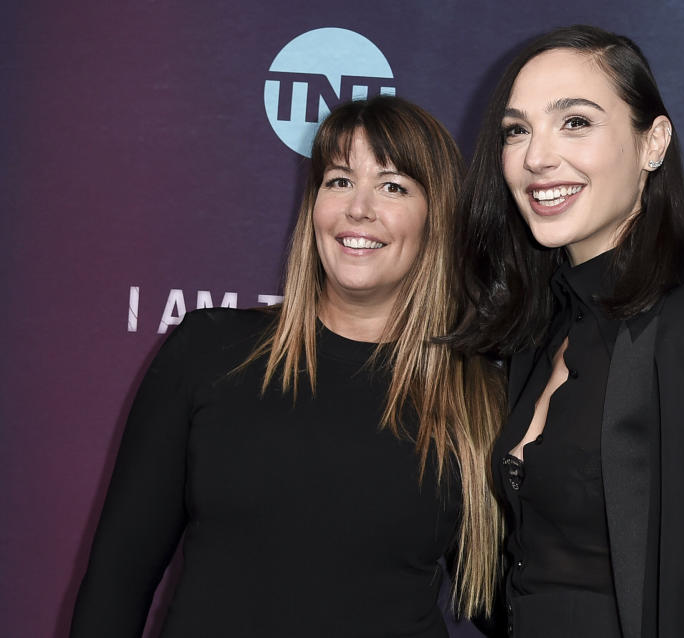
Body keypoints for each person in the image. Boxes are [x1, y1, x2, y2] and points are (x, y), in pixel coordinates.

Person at [449, 25, 684, 638]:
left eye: (575, 121)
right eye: (516, 130)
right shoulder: (538, 335)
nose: (536, 157)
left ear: (653, 142)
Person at [70, 96, 504, 638]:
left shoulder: (475, 393)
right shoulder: (209, 351)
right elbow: (117, 580)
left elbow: (507, 605)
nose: (359, 208)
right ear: (314, 205)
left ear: (436, 220)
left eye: (394, 186)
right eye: (339, 181)